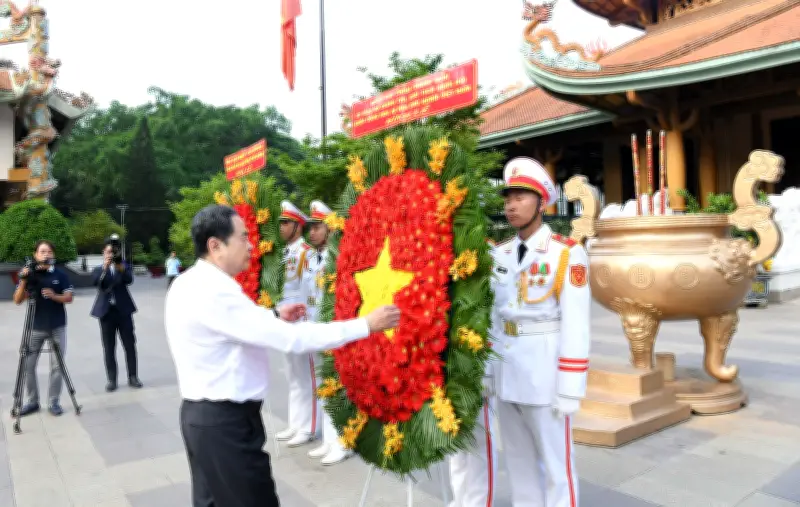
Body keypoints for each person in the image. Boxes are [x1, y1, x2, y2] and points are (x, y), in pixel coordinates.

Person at [164, 204, 400, 507]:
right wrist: (365, 324)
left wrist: (274, 314)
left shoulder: (189, 282)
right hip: (225, 424)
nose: (251, 245)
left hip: (202, 419)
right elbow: (293, 339)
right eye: (243, 237)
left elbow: (233, 324)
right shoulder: (215, 291)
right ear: (215, 246)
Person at [492, 157, 591, 507]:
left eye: (520, 197)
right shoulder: (500, 254)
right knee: (517, 460)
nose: (511, 205)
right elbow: (493, 317)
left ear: (541, 203)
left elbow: (576, 324)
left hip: (544, 371)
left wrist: (570, 387)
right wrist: (488, 372)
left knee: (556, 463)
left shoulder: (566, 253)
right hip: (506, 370)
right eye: (508, 198)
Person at [447, 239, 500, 507]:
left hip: (477, 360)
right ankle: (460, 498)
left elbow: (493, 312)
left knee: (479, 437)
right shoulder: (438, 250)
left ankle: (479, 501)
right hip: (449, 361)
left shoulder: (485, 252)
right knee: (454, 434)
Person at [303, 200, 353, 466]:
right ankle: (329, 439)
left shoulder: (340, 256)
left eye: (317, 227)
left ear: (330, 229)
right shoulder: (313, 257)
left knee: (338, 384)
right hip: (317, 326)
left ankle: (343, 441)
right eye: (310, 228)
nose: (311, 232)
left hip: (335, 325)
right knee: (325, 383)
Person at [274, 200, 320, 448]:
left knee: (307, 376)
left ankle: (309, 427)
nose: (281, 227)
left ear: (298, 226)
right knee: (292, 375)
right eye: (281, 222)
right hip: (286, 321)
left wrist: (308, 320)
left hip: (302, 320)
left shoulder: (307, 253)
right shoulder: (285, 253)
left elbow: (309, 290)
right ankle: (296, 423)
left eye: (286, 223)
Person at [12, 240, 74, 417]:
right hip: (34, 327)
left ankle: (54, 402)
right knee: (28, 365)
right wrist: (23, 281)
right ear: (35, 255)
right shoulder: (30, 275)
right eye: (42, 252)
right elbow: (17, 300)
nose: (46, 254)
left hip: (57, 326)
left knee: (57, 366)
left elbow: (69, 298)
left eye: (49, 252)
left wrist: (54, 296)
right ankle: (33, 401)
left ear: (53, 254)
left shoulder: (61, 275)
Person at [90, 239, 143, 392]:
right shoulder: (98, 269)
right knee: (109, 347)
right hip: (106, 313)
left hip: (123, 311)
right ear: (103, 253)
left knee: (130, 345)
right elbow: (96, 283)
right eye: (108, 252)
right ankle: (112, 379)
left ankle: (133, 376)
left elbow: (129, 280)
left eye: (113, 252)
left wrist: (121, 268)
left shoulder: (123, 266)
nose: (110, 255)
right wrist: (105, 268)